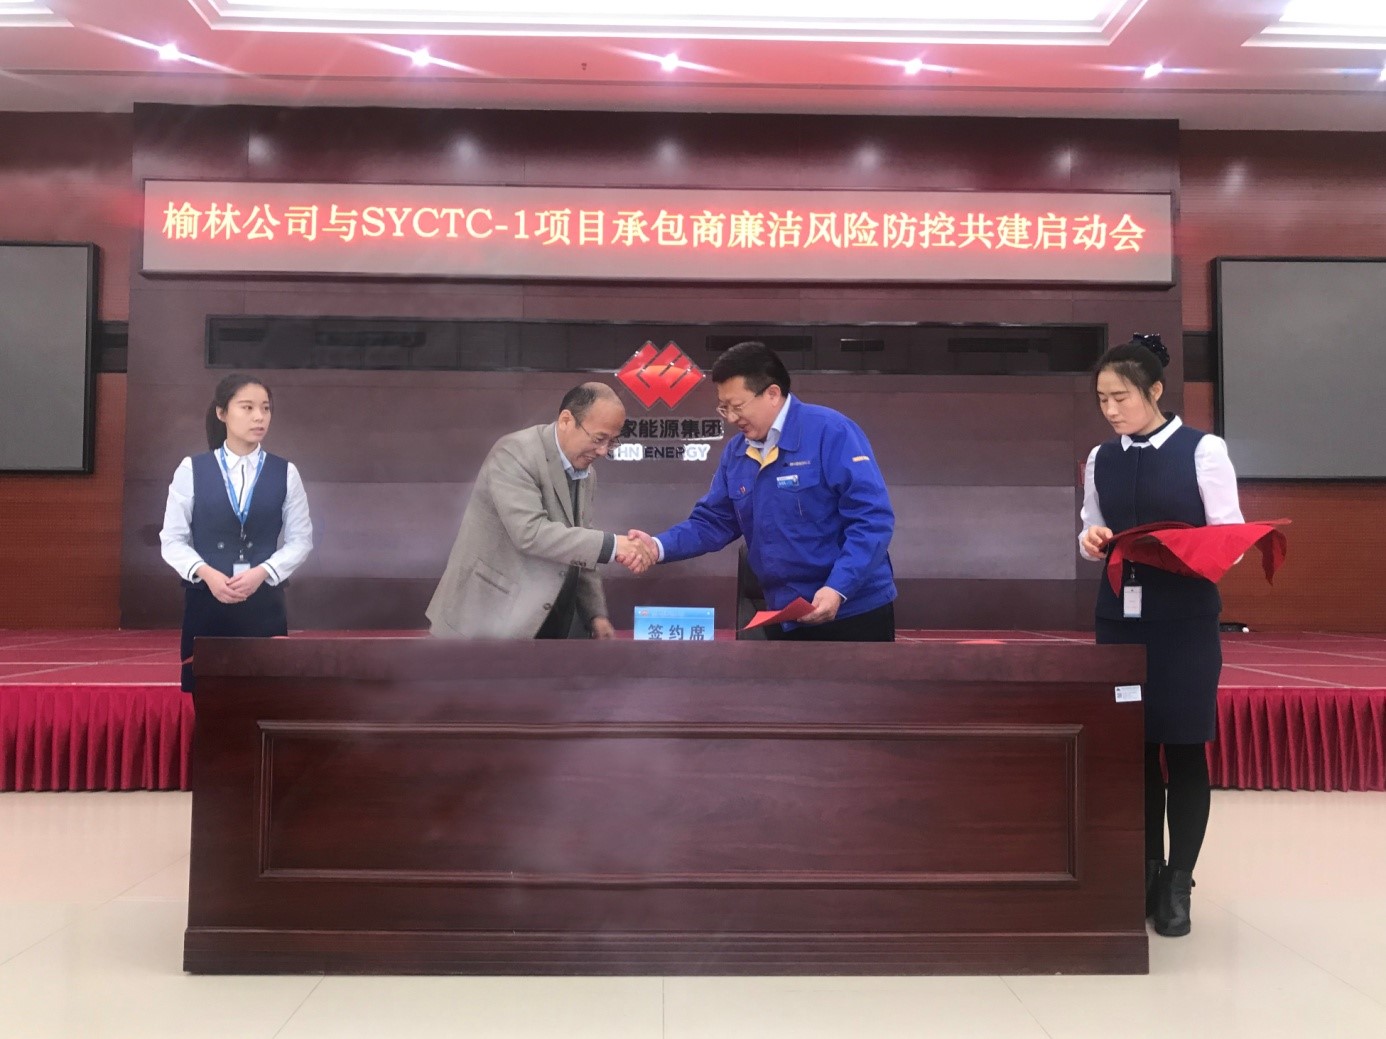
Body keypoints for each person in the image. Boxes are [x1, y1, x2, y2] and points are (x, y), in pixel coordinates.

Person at [1078, 334, 1244, 938]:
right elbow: (1092, 528)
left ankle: (1178, 882)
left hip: (1183, 620)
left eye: (1121, 397)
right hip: (1120, 618)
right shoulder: (1102, 457)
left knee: (1184, 746)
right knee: (1135, 748)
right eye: (1102, 399)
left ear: (1154, 390)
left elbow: (1230, 539)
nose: (1111, 410)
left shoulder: (1203, 450)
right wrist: (1092, 540)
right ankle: (1144, 870)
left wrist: (1176, 549)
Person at [630, 341, 896, 641]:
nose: (731, 418)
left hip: (852, 610)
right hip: (785, 614)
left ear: (772, 394)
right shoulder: (737, 453)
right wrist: (657, 546)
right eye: (724, 408)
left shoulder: (830, 432)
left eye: (737, 406)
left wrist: (838, 587)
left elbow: (871, 520)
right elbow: (713, 522)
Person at [426, 382, 653, 640]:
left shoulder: (587, 474)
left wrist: (595, 614)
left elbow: (580, 545)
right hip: (484, 621)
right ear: (566, 420)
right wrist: (614, 546)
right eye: (599, 439)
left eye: (612, 442)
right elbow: (530, 533)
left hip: (546, 624)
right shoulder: (515, 453)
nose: (603, 451)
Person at [160, 374, 314, 692]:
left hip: (264, 602)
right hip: (206, 600)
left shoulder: (285, 472)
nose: (259, 417)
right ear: (222, 413)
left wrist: (263, 572)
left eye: (265, 408)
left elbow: (301, 540)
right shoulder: (192, 469)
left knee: (266, 694)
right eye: (247, 407)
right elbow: (172, 540)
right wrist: (207, 574)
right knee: (209, 696)